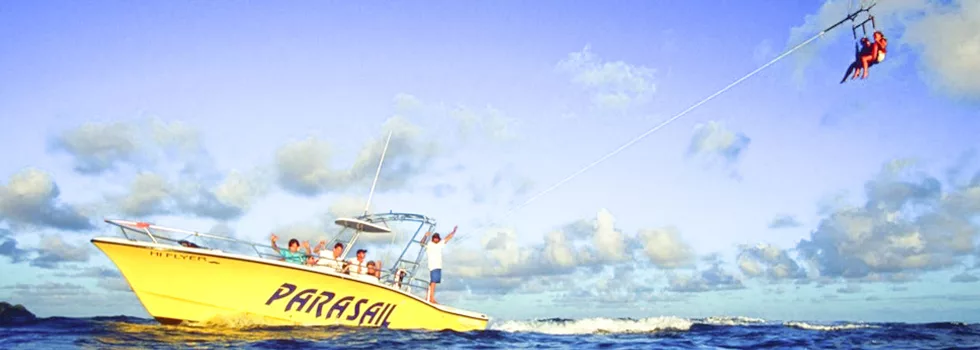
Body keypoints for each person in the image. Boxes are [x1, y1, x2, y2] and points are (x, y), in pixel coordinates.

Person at [420, 225, 456, 304]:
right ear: (432, 239)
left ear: (438, 239)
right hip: (433, 265)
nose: (436, 239)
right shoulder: (429, 244)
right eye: (434, 238)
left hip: (438, 266)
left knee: (432, 282)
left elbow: (447, 238)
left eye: (437, 238)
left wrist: (453, 232)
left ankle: (428, 296)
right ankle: (431, 298)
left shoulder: (440, 244)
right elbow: (421, 243)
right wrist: (425, 236)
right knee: (433, 282)